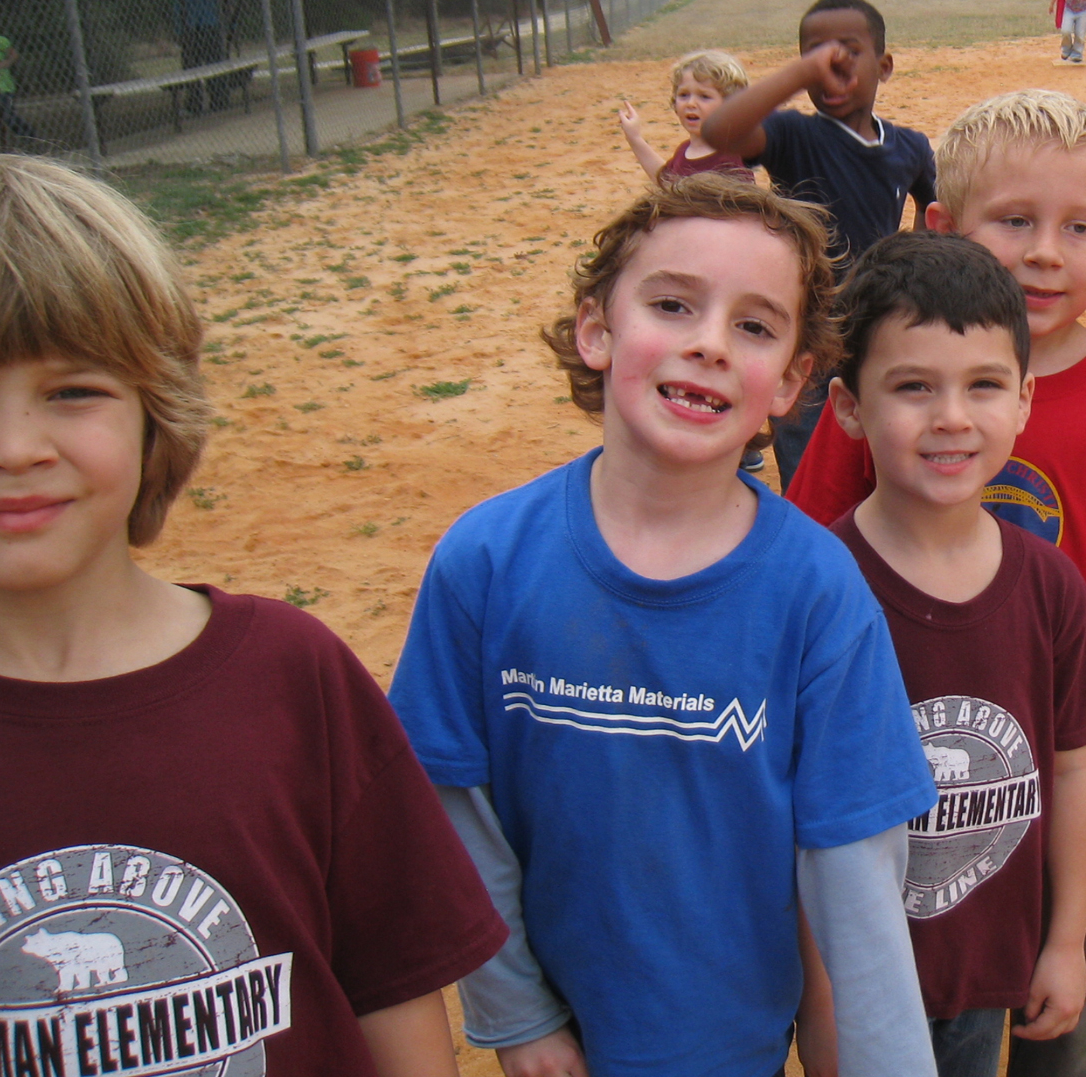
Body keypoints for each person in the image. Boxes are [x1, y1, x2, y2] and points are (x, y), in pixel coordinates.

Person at [390, 174, 939, 1077]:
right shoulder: (485, 560)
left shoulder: (816, 590)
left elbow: (856, 874)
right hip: (554, 1046)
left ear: (791, 382)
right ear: (595, 329)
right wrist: (517, 1015)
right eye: (674, 304)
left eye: (756, 326)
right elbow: (453, 813)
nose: (710, 345)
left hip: (737, 1047)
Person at [0, 155, 507, 1075]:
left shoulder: (291, 678)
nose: (13, 448)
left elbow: (395, 1000)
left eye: (72, 392)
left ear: (157, 412)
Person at [787, 89, 1086, 1077]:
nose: (1041, 253)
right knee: (901, 990)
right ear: (941, 225)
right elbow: (809, 558)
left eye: (1078, 229)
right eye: (1013, 221)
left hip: (1081, 767)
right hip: (892, 769)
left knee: (1058, 1007)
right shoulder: (890, 378)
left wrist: (1054, 728)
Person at [806, 230, 1086, 1077]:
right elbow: (792, 824)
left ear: (1024, 400)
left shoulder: (1051, 588)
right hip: (859, 980)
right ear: (848, 406)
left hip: (985, 970)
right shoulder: (817, 591)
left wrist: (1069, 939)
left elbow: (1073, 767)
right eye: (912, 386)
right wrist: (820, 998)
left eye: (984, 385)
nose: (951, 417)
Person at [700, 0, 936, 488]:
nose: (829, 64)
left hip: (877, 317)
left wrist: (908, 261)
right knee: (806, 447)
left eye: (848, 50)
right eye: (814, 53)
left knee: (881, 429)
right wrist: (800, 74)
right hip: (805, 321)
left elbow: (937, 209)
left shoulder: (909, 146)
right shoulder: (794, 136)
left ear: (885, 65)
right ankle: (811, 532)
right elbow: (720, 131)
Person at [617, 48, 753, 181]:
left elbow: (746, 203)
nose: (691, 103)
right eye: (684, 95)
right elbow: (665, 184)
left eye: (704, 96)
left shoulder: (732, 159)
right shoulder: (684, 151)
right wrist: (634, 138)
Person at [0, 8, 38, 154]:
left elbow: (13, 55)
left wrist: (2, 64)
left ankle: (29, 134)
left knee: (7, 116)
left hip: (3, 87)